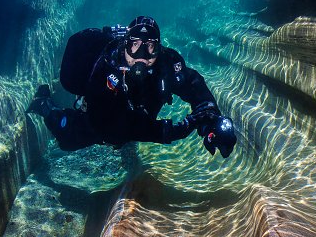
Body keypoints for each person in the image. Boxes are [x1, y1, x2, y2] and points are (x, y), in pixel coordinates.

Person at [27, 16, 236, 157]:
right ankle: (44, 105)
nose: (142, 57)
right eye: (134, 45)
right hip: (102, 123)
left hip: (137, 119)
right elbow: (111, 128)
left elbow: (192, 83)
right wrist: (174, 130)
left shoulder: (166, 63)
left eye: (150, 47)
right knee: (68, 139)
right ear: (124, 45)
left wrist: (211, 118)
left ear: (158, 48)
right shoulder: (107, 68)